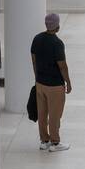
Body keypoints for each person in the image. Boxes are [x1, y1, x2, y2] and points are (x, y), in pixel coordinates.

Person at [30, 13, 71, 151]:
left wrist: (37, 77)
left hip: (40, 83)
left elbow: (34, 60)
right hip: (55, 86)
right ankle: (55, 143)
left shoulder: (37, 39)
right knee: (55, 114)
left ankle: (44, 140)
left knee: (42, 113)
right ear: (57, 26)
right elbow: (62, 66)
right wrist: (68, 82)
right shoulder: (57, 44)